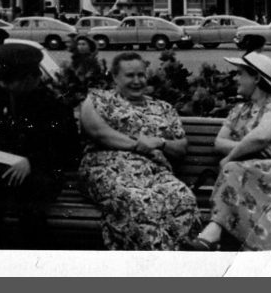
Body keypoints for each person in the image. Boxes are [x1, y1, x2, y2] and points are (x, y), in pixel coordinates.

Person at [77, 52, 199, 250]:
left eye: (141, 75)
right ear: (115, 77)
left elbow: (181, 147)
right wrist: (138, 145)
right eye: (130, 75)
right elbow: (99, 132)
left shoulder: (163, 108)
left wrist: (160, 142)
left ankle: (183, 260)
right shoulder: (99, 99)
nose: (137, 81)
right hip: (107, 168)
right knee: (138, 201)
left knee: (183, 197)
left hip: (153, 172)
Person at [0, 43, 81, 248]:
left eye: (11, 82)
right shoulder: (7, 94)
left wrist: (31, 161)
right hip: (9, 165)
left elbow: (69, 150)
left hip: (42, 171)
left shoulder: (54, 104)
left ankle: (35, 253)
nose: (5, 86)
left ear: (30, 79)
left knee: (28, 198)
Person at [185, 51, 271, 251]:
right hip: (249, 172)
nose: (235, 78)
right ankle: (213, 235)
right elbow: (220, 141)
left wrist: (231, 156)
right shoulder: (239, 110)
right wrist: (249, 149)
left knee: (232, 168)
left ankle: (211, 235)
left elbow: (261, 136)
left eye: (240, 74)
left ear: (256, 78)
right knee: (234, 169)